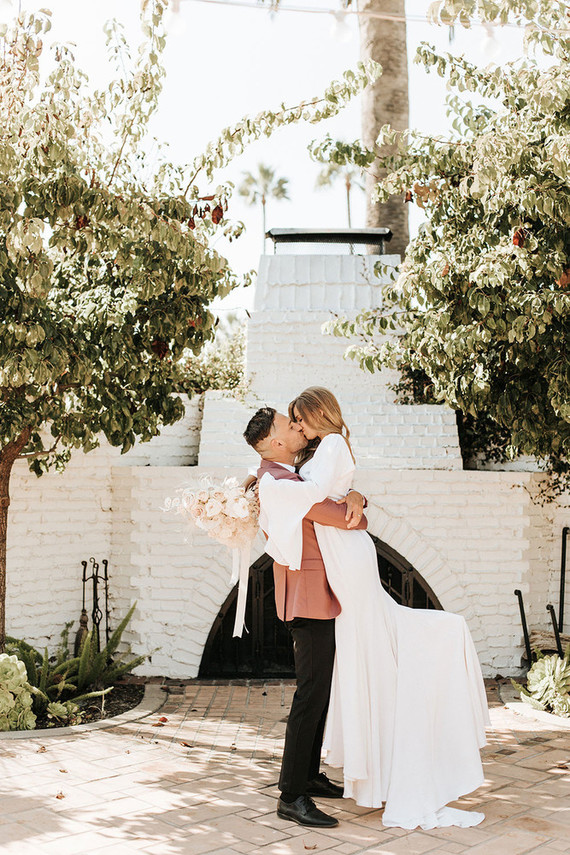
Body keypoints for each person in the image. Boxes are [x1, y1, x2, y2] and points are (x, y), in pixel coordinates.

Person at [281, 386, 491, 830]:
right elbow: (325, 497)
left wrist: (271, 487)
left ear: (318, 414)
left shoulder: (333, 444)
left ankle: (377, 757)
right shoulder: (325, 449)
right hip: (342, 551)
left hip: (347, 555)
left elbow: (309, 501)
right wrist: (352, 498)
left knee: (369, 644)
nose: (296, 427)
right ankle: (365, 760)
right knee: (361, 650)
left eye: (299, 418)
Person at [243, 407, 367, 829]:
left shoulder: (287, 479)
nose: (298, 428)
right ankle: (291, 795)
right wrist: (356, 501)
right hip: (307, 598)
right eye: (289, 425)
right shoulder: (279, 484)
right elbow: (351, 520)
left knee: (319, 690)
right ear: (276, 443)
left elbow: (336, 504)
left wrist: (354, 495)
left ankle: (309, 777)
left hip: (314, 595)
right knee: (310, 694)